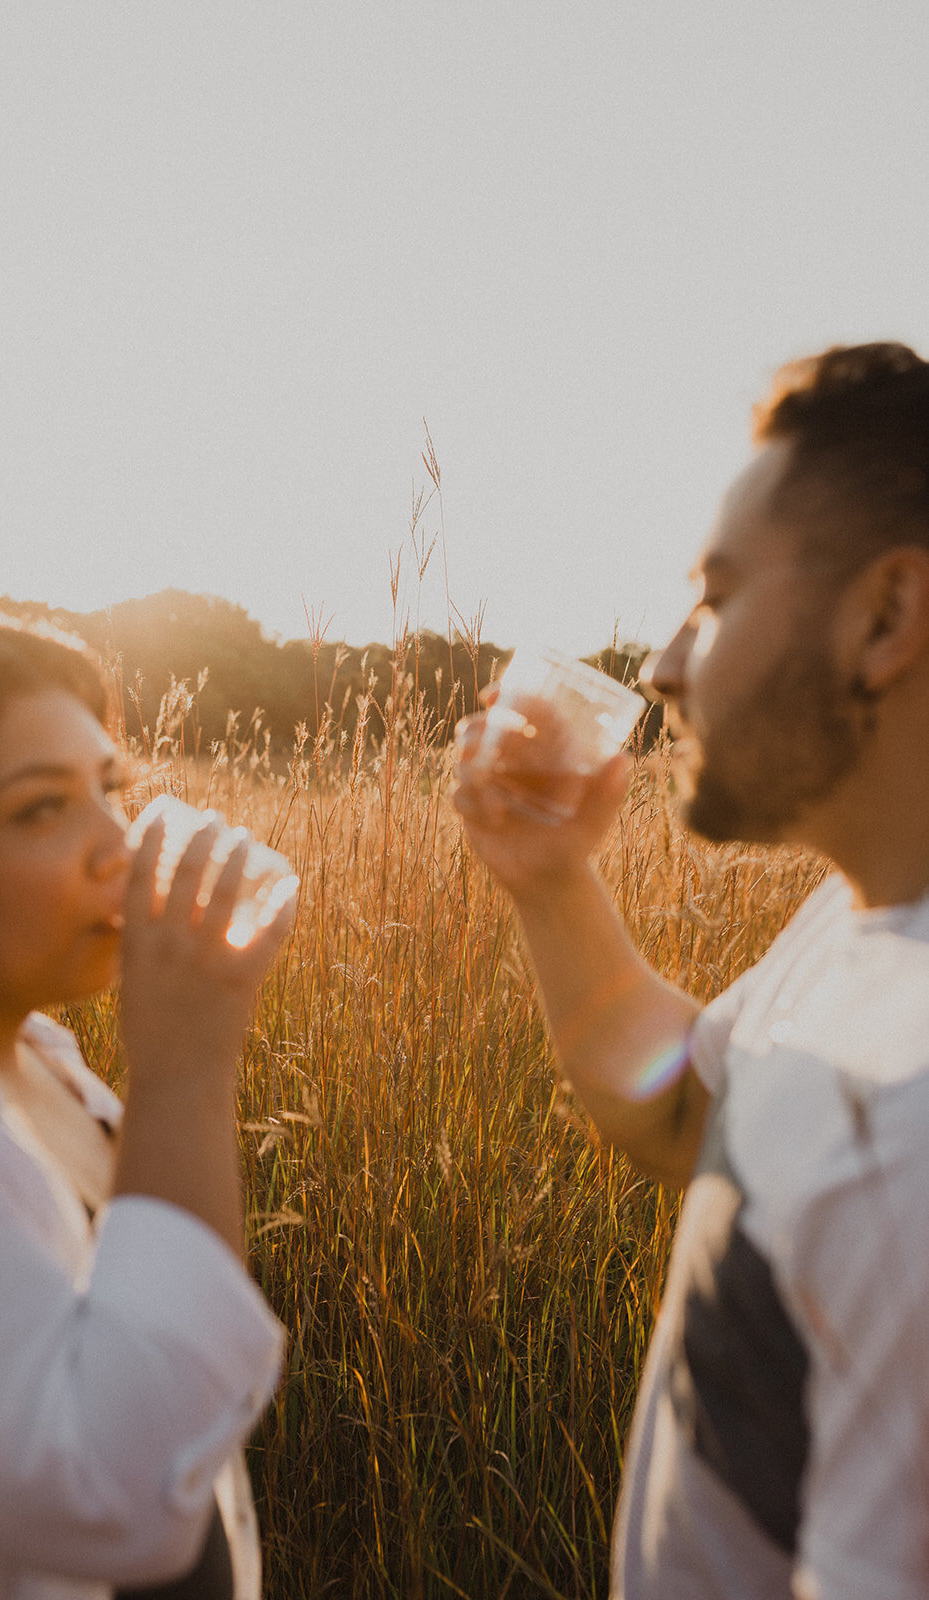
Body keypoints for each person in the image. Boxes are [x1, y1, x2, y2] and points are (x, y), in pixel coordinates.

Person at [453, 342, 929, 1599]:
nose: (661, 666)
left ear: (883, 619)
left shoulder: (908, 1133)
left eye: (713, 597)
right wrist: (550, 880)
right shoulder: (856, 923)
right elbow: (680, 1116)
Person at [0, 609, 296, 1600]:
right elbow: (122, 1493)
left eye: (110, 788)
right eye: (40, 810)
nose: (121, 845)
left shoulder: (42, 1054)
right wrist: (185, 1065)